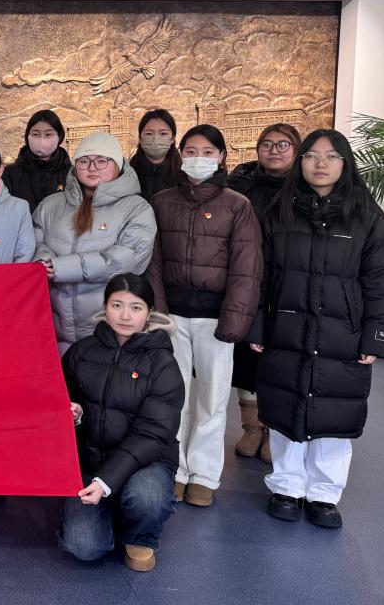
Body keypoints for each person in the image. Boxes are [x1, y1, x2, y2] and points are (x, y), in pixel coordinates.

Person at [250, 129, 384, 529]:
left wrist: (375, 335)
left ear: (345, 163)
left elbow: (379, 280)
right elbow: (260, 275)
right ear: (301, 162)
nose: (320, 164)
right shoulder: (279, 211)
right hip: (286, 329)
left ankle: (324, 495)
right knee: (286, 406)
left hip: (343, 334)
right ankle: (286, 487)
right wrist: (257, 325)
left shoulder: (368, 217)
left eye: (331, 156)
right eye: (311, 155)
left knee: (334, 413)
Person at [146, 124, 262, 508]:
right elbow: (153, 263)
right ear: (181, 155)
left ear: (221, 157)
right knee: (172, 396)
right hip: (173, 316)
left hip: (216, 318)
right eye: (191, 151)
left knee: (212, 399)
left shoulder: (237, 205)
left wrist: (235, 320)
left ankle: (205, 474)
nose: (199, 159)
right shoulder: (162, 201)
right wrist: (157, 314)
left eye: (208, 152)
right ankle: (175, 469)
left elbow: (246, 269)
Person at [58, 273, 184, 572]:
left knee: (146, 497)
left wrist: (106, 482)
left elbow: (153, 434)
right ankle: (111, 508)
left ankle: (141, 535)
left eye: (136, 307)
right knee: (84, 547)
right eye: (117, 305)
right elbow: (61, 402)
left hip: (146, 463)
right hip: (91, 461)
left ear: (149, 313)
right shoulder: (82, 351)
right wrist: (75, 416)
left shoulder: (163, 364)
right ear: (105, 307)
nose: (125, 316)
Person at [32, 132, 156, 354]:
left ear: (117, 164)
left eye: (102, 160)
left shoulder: (137, 208)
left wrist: (60, 268)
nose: (92, 168)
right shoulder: (50, 205)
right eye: (84, 161)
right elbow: (34, 242)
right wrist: (42, 262)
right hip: (53, 328)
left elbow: (128, 259)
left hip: (106, 333)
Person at [226, 123, 301, 462]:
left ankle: (274, 429)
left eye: (283, 144)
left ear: (296, 149)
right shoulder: (241, 184)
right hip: (248, 280)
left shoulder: (306, 187)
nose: (274, 150)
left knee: (280, 358)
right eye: (267, 144)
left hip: (290, 283)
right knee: (246, 358)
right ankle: (252, 427)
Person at [2, 110, 72, 212]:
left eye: (48, 134)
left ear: (59, 136)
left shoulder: (71, 174)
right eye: (35, 134)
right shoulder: (10, 174)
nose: (41, 140)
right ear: (27, 136)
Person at [129, 109, 182, 202]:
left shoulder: (185, 176)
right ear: (140, 138)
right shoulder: (127, 174)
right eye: (149, 134)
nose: (155, 139)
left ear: (172, 138)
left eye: (163, 133)